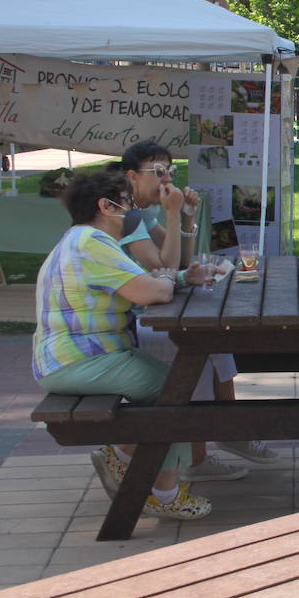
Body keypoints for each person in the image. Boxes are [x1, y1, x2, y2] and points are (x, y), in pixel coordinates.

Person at [33, 171, 211, 520]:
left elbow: (147, 280)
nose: (132, 209)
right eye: (126, 202)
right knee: (174, 389)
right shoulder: (93, 243)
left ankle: (127, 455)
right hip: (80, 361)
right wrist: (168, 283)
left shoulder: (84, 240)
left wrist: (179, 278)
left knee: (173, 385)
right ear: (106, 206)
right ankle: (162, 492)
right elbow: (150, 291)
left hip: (74, 359)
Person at [112, 142, 277, 481]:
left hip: (152, 309)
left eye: (170, 172)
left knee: (217, 343)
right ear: (131, 176)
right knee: (196, 351)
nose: (166, 180)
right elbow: (166, 269)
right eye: (158, 173)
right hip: (135, 321)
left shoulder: (141, 212)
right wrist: (174, 215)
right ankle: (198, 457)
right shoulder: (125, 215)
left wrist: (186, 218)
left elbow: (183, 261)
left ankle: (229, 433)